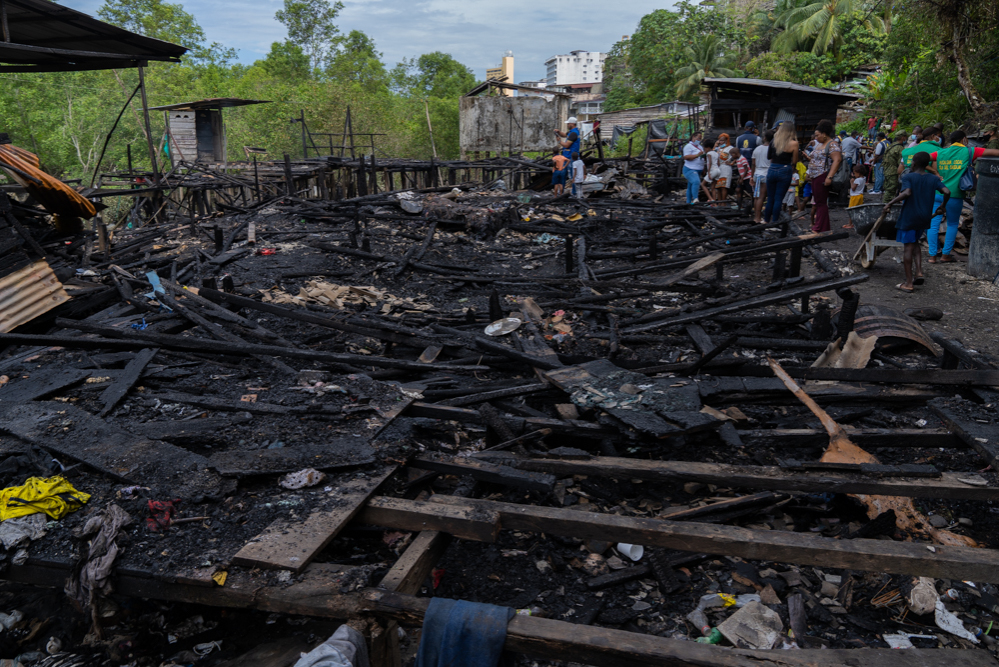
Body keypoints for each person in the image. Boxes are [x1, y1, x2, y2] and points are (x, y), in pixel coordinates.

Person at [926, 129, 999, 263]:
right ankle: (945, 255)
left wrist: (934, 172)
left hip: (938, 192)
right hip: (955, 194)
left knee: (933, 224)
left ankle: (932, 256)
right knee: (953, 224)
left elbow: (921, 158)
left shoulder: (941, 152)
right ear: (964, 139)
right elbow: (995, 153)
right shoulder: (970, 151)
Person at [883, 151, 948, 292]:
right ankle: (918, 272)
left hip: (909, 217)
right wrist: (942, 207)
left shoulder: (908, 177)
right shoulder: (933, 178)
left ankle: (908, 283)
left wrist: (889, 204)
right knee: (915, 242)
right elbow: (947, 192)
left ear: (914, 162)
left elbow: (906, 193)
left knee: (908, 247)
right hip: (924, 217)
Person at [805, 119, 841, 233]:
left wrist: (829, 177)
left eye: (817, 135)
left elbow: (837, 160)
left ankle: (820, 227)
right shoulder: (820, 144)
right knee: (818, 202)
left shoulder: (832, 144)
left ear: (824, 134)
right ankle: (822, 226)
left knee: (820, 202)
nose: (816, 138)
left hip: (823, 175)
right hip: (815, 175)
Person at [762, 122, 799, 224]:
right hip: (785, 169)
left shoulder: (774, 141)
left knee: (770, 197)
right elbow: (795, 161)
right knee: (779, 198)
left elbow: (769, 156)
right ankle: (775, 221)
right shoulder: (794, 143)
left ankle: (766, 220)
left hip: (772, 168)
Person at [751, 130, 772, 223]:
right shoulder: (771, 149)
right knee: (761, 197)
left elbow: (753, 163)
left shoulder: (757, 149)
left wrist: (751, 176)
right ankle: (758, 217)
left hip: (757, 173)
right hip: (766, 173)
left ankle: (756, 216)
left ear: (764, 138)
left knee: (756, 196)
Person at [881, 131, 907, 201]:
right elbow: (900, 163)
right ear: (903, 138)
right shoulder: (900, 148)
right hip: (893, 172)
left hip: (887, 170)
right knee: (891, 191)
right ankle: (886, 206)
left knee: (888, 189)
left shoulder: (891, 145)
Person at [682, 132, 705, 204]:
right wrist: (698, 155)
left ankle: (688, 202)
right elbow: (686, 157)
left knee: (690, 185)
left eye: (700, 139)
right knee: (696, 181)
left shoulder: (700, 147)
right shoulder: (688, 146)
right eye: (698, 138)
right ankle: (695, 198)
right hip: (690, 168)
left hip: (699, 169)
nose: (699, 140)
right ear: (693, 137)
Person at [845, 164, 868, 229]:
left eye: (855, 173)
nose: (854, 175)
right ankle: (857, 222)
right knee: (858, 210)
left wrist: (851, 182)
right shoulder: (863, 178)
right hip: (860, 196)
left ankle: (850, 224)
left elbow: (853, 188)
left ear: (858, 173)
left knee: (851, 210)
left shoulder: (857, 180)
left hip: (855, 197)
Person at [714, 133, 736, 202]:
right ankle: (719, 202)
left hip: (726, 168)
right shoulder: (718, 148)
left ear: (726, 140)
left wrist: (732, 163)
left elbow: (737, 156)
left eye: (722, 140)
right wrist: (715, 146)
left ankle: (723, 202)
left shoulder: (730, 148)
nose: (721, 142)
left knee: (724, 186)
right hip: (718, 168)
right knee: (718, 186)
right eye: (719, 140)